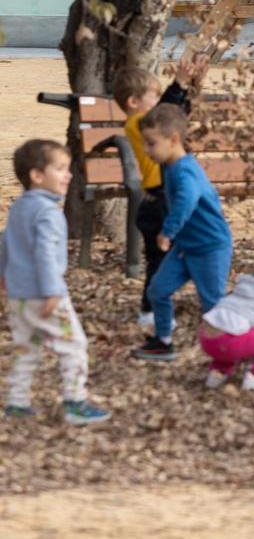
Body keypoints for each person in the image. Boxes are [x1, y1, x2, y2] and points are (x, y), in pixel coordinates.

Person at [1, 140, 110, 425]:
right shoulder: (48, 212)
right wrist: (52, 291)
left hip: (19, 295)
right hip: (44, 294)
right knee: (73, 344)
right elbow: (45, 253)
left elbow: (5, 244)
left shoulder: (18, 208)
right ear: (37, 176)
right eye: (60, 169)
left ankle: (17, 402)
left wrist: (3, 276)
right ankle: (75, 402)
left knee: (27, 348)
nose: (68, 175)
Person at [132, 103, 233, 362]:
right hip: (186, 248)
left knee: (212, 304)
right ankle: (163, 341)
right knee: (158, 290)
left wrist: (168, 231)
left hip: (210, 246)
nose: (146, 150)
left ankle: (228, 352)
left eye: (151, 143)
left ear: (173, 139)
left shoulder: (184, 170)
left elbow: (187, 199)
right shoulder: (170, 166)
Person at [111, 58, 204, 332]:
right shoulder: (136, 124)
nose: (157, 101)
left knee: (175, 254)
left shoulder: (150, 122)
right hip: (157, 201)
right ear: (134, 102)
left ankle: (165, 304)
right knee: (159, 259)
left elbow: (174, 117)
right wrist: (178, 84)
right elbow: (165, 112)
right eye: (153, 96)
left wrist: (190, 87)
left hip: (168, 196)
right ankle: (150, 311)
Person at [199, 247, 254, 392]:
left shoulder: (246, 283)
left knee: (238, 324)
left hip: (206, 336)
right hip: (229, 342)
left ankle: (218, 372)